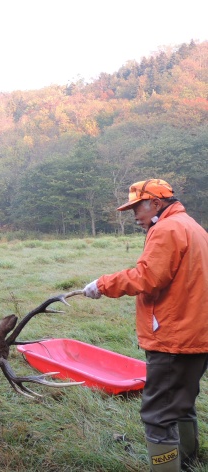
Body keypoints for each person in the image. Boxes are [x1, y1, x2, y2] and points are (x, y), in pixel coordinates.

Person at [83, 179, 208, 472]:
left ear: (155, 203)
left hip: (175, 337)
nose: (135, 216)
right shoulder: (191, 226)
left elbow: (147, 277)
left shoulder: (166, 229)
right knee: (181, 402)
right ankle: (187, 461)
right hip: (196, 333)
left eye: (136, 208)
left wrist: (102, 285)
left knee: (158, 414)